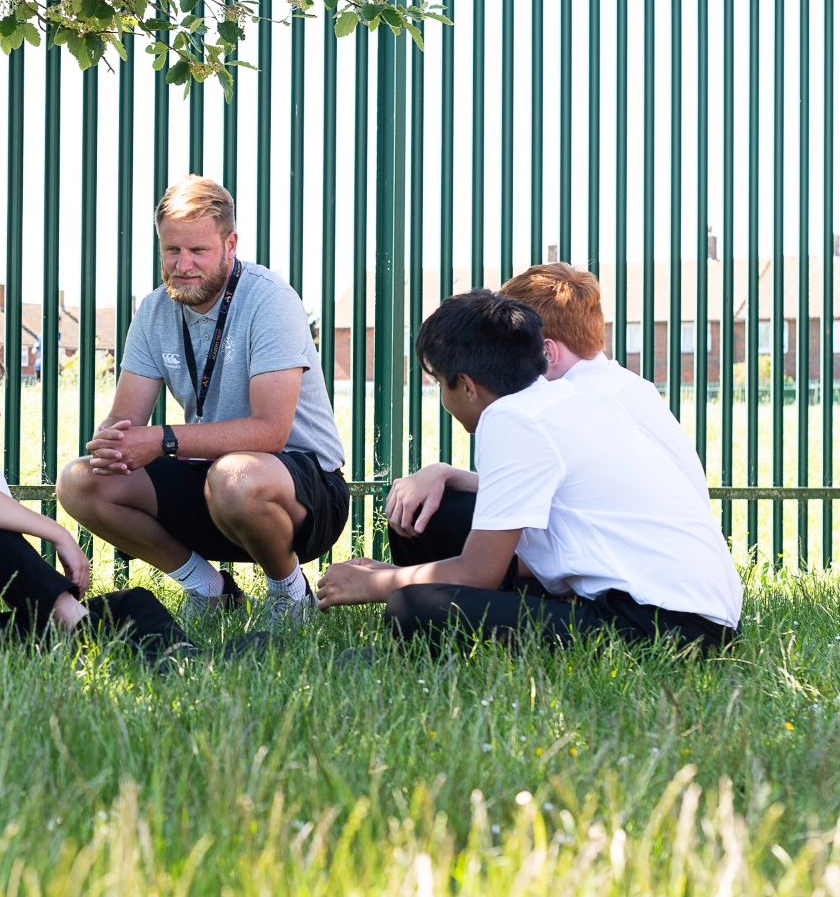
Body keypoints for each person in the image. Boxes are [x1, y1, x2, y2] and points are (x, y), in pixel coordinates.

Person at [316, 291, 742, 650]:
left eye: (438, 384)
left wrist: (374, 584)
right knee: (435, 518)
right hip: (687, 610)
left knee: (412, 608)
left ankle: (427, 637)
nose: (443, 400)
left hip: (667, 628)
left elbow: (478, 573)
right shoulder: (559, 400)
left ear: (466, 385)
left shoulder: (512, 419)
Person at [57, 176, 350, 621]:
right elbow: (125, 417)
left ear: (230, 244)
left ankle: (290, 594)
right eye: (172, 250)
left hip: (302, 489)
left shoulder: (269, 299)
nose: (183, 265)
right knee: (79, 481)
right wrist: (113, 441)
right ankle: (209, 590)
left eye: (198, 251)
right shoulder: (154, 309)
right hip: (213, 479)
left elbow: (270, 432)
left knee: (235, 477)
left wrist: (160, 440)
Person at [383, 261, 709, 553]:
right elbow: (555, 486)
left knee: (440, 518)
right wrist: (444, 473)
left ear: (546, 352)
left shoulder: (585, 400)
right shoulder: (622, 384)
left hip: (628, 562)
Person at [0, 347, 191, 659]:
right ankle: (102, 643)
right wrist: (59, 534)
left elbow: (8, 564)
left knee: (132, 603)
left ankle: (182, 657)